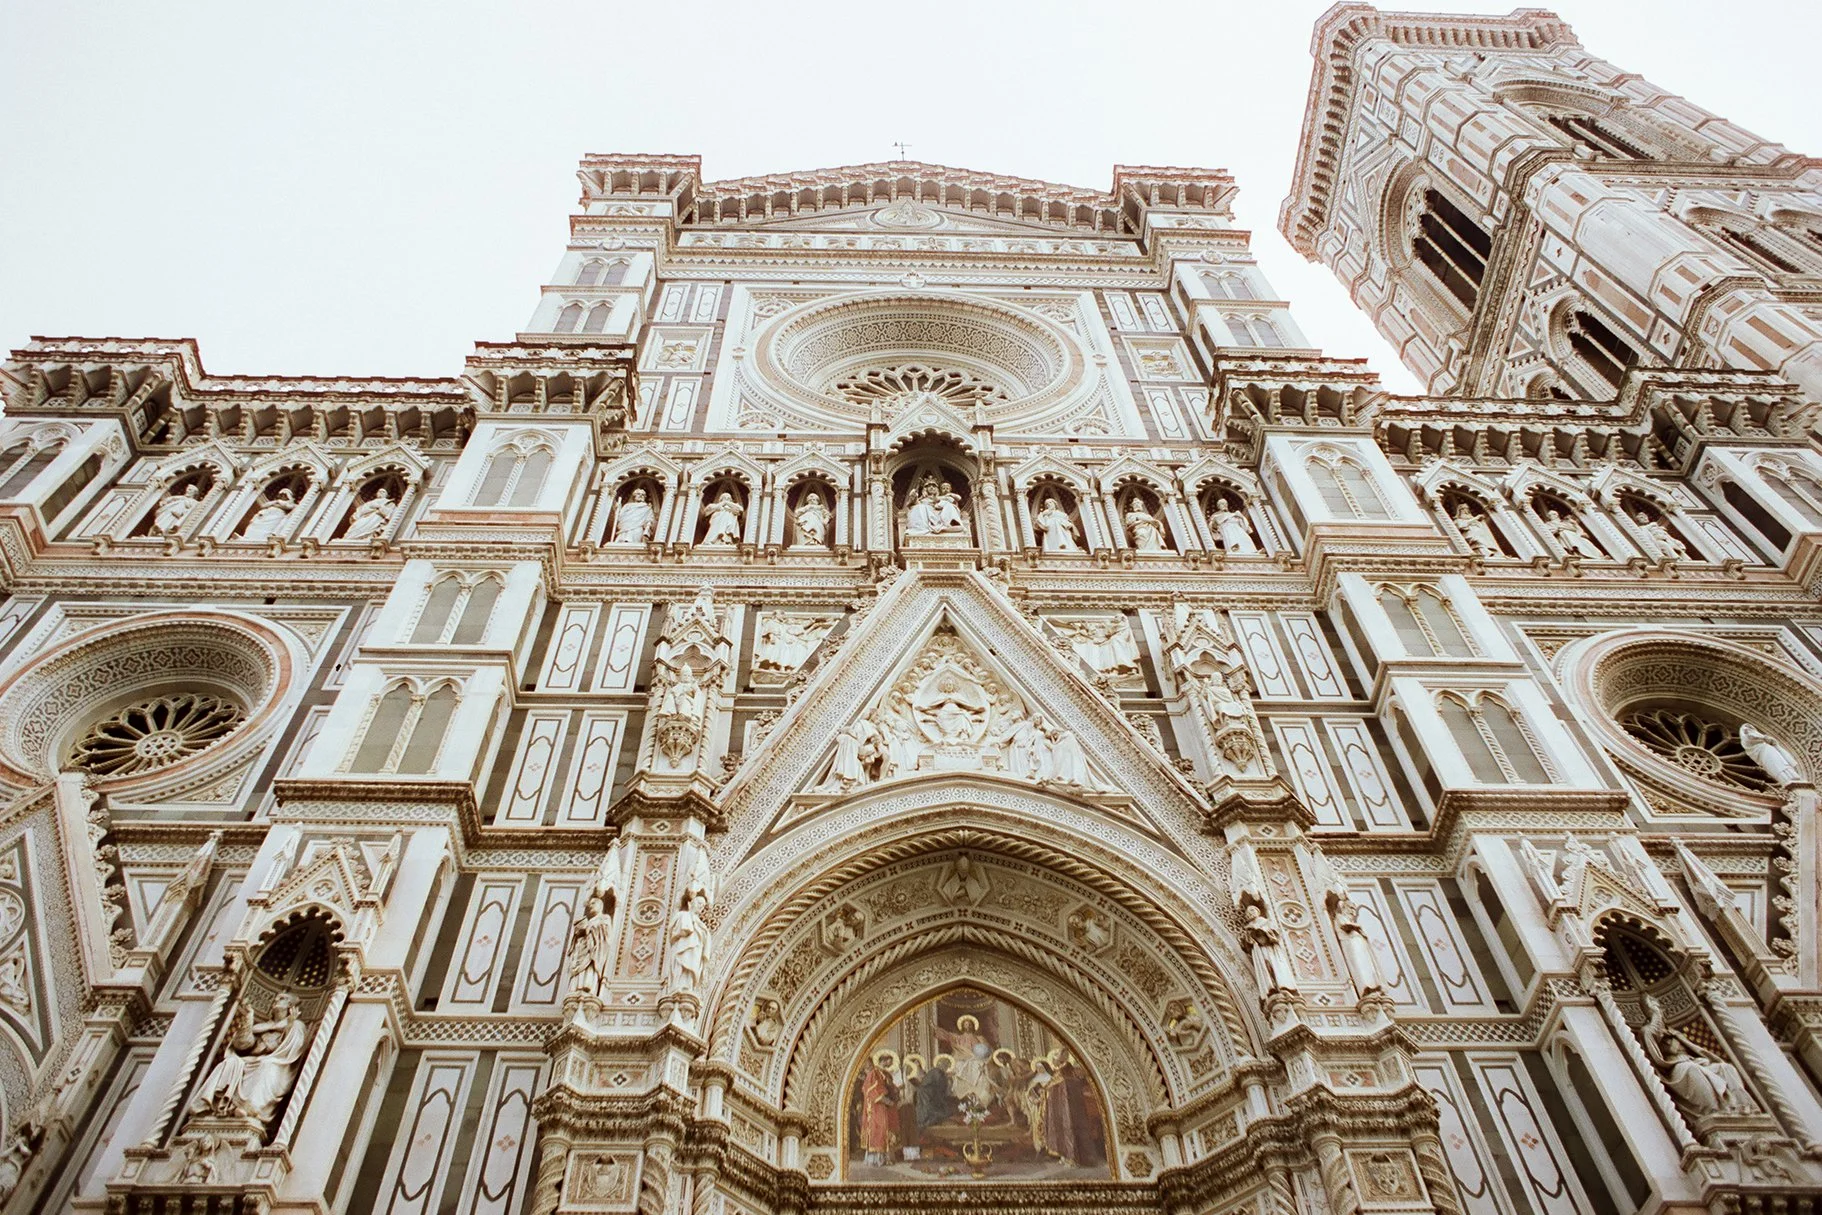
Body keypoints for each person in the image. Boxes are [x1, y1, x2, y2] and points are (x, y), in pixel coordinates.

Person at [189, 993, 310, 1124]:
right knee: (231, 1062)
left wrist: (289, 1027)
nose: (275, 1000)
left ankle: (250, 1108)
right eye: (275, 997)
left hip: (277, 1062)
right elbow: (243, 1045)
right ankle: (208, 1106)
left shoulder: (296, 1025)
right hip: (251, 1060)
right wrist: (248, 1019)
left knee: (267, 1064)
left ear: (290, 1005)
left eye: (281, 998)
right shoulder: (262, 1026)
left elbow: (293, 1050)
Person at [859, 1051, 899, 1166]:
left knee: (887, 1130)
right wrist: (886, 1100)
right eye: (889, 1061)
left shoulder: (885, 1074)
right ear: (883, 1061)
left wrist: (894, 1094)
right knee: (878, 1130)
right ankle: (876, 1159)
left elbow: (891, 1087)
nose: (891, 1063)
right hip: (877, 1107)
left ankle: (886, 1158)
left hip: (887, 1107)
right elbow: (871, 1090)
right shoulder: (874, 1073)